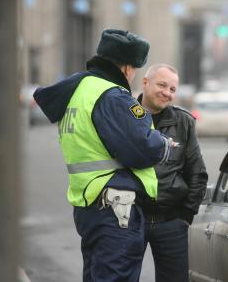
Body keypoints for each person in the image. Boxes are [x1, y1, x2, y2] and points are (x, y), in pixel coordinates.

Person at [33, 29, 175, 282]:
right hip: (116, 209)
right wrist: (163, 144)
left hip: (90, 204)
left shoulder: (79, 91)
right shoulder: (113, 95)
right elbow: (141, 147)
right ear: (128, 68)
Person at [138, 64, 208, 282]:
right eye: (162, 85)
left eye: (172, 89)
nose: (167, 93)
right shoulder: (126, 115)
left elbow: (197, 172)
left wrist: (186, 216)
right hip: (130, 219)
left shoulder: (183, 122)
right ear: (145, 82)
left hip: (171, 222)